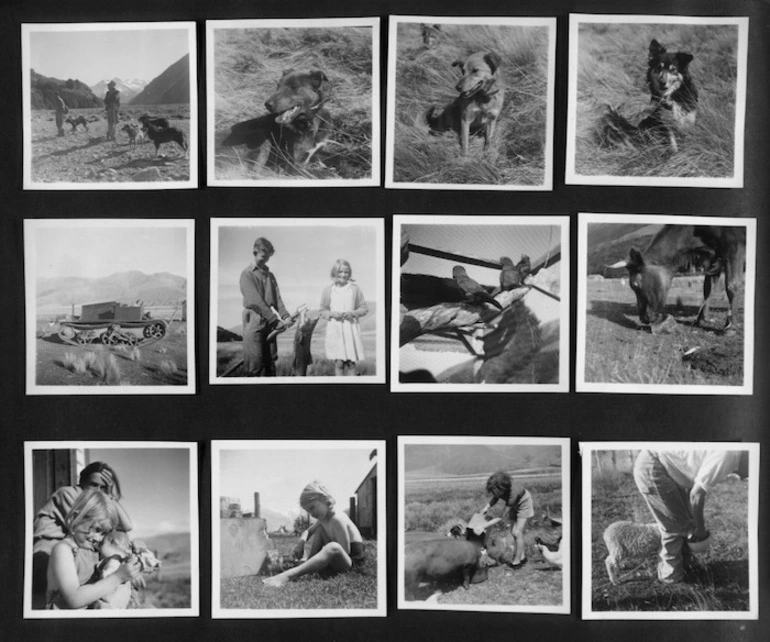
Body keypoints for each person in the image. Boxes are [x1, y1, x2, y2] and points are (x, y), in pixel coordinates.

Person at [633, 449, 750, 584]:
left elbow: (693, 480)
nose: (745, 477)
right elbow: (697, 494)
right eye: (750, 472)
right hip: (653, 466)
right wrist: (700, 528)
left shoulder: (732, 455)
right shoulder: (727, 454)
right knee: (674, 525)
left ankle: (686, 566)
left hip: (668, 468)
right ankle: (670, 577)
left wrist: (693, 521)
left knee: (685, 521)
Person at [32, 462, 133, 607]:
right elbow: (105, 523)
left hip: (72, 553)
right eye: (93, 484)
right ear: (81, 482)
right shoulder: (69, 493)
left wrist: (110, 497)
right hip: (44, 556)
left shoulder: (87, 534)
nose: (98, 491)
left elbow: (126, 527)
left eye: (103, 487)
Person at [45, 490, 140, 609]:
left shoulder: (91, 550)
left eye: (104, 533)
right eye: (96, 529)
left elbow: (126, 527)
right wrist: (117, 577)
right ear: (75, 518)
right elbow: (74, 599)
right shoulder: (63, 550)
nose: (99, 538)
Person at [263, 481, 365, 588]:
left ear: (324, 499)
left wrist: (325, 557)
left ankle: (290, 575)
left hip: (351, 562)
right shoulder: (324, 518)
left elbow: (344, 551)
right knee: (320, 530)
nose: (312, 514)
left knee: (333, 547)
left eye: (312, 508)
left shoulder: (337, 519)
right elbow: (308, 531)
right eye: (309, 511)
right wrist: (301, 544)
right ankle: (308, 567)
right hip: (339, 558)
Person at [239, 237, 291, 376]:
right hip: (254, 321)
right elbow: (255, 301)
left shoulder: (270, 276)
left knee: (270, 364)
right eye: (264, 253)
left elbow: (278, 300)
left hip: (270, 323)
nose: (266, 257)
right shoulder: (247, 274)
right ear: (255, 251)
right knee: (254, 366)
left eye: (269, 254)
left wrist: (286, 316)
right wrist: (275, 320)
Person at [320, 259, 368, 376]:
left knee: (351, 363)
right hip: (335, 329)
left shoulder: (354, 289)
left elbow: (364, 308)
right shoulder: (328, 290)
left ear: (350, 273)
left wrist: (352, 313)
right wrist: (332, 314)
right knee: (339, 363)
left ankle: (352, 387)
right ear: (334, 273)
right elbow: (323, 310)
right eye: (340, 272)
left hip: (350, 328)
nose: (343, 275)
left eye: (346, 272)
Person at [480, 470, 534, 568]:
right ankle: (522, 556)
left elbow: (501, 516)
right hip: (514, 504)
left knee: (517, 532)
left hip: (523, 503)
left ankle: (517, 562)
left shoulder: (513, 493)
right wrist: (486, 507)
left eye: (494, 490)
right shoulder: (502, 489)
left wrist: (484, 525)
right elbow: (495, 498)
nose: (494, 493)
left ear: (501, 487)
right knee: (513, 532)